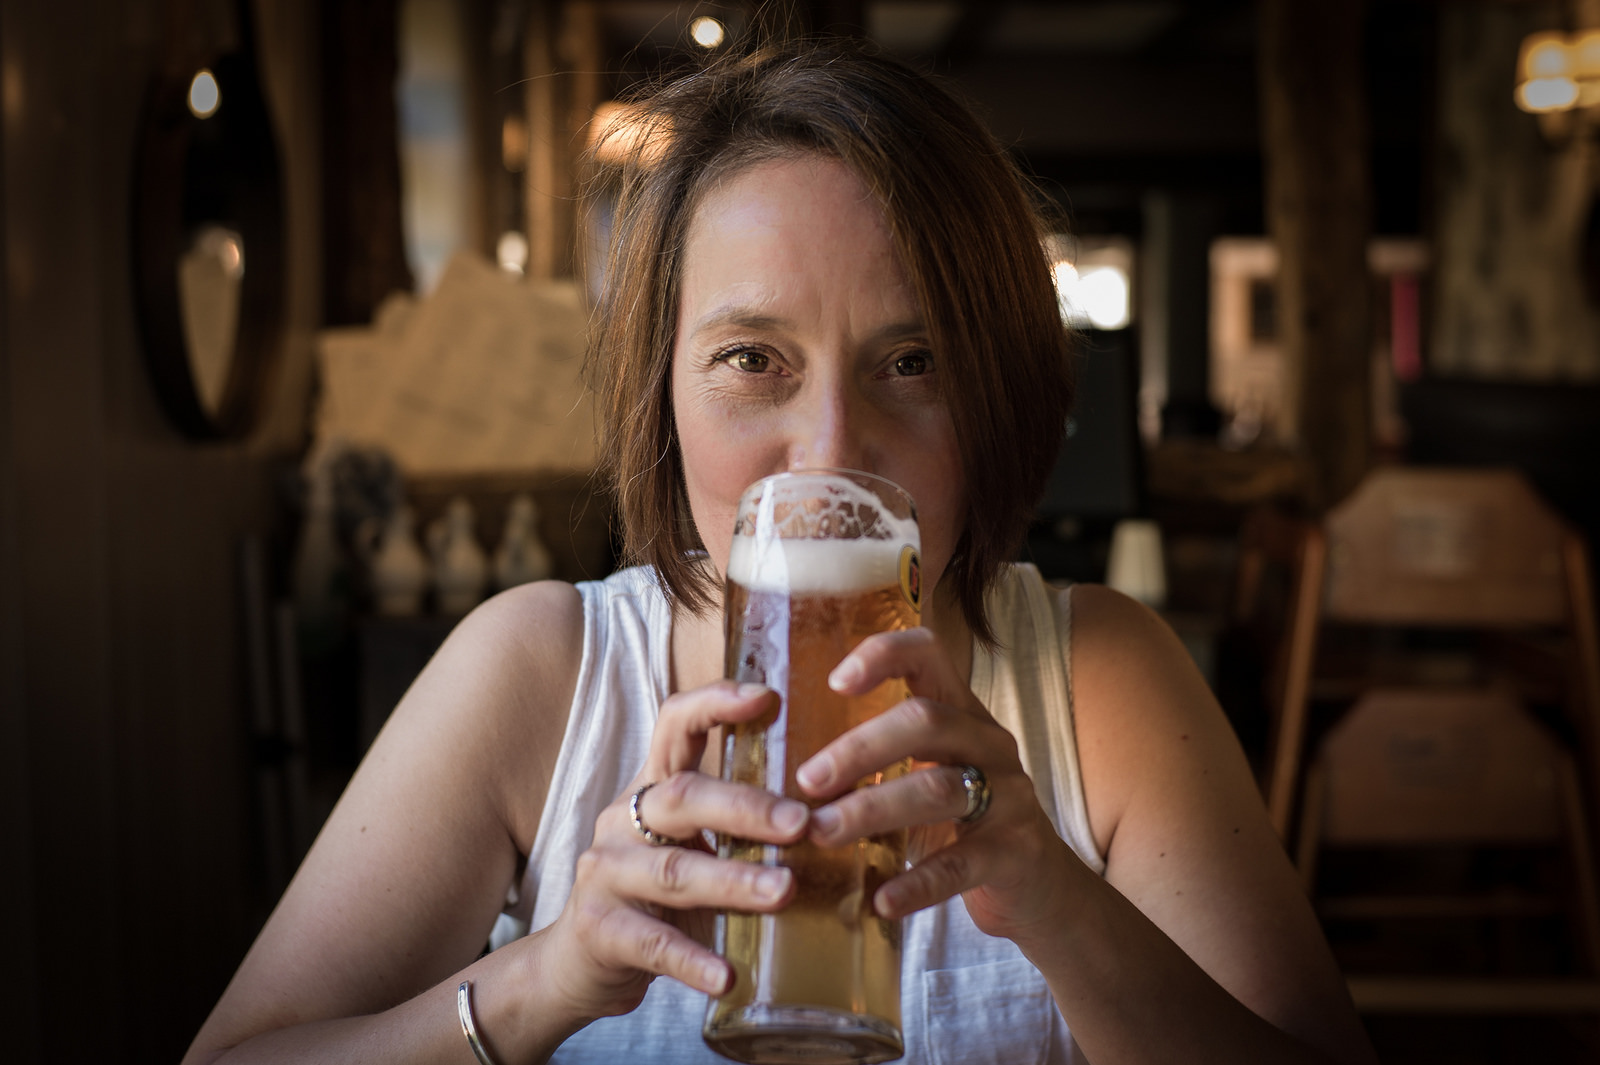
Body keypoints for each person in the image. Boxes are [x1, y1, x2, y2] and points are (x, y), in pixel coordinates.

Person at [185, 39, 1377, 1065]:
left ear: (998, 394)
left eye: (913, 363)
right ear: (660, 390)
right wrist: (544, 981)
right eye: (752, 359)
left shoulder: (1097, 678)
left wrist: (1056, 903)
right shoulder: (541, 674)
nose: (830, 452)